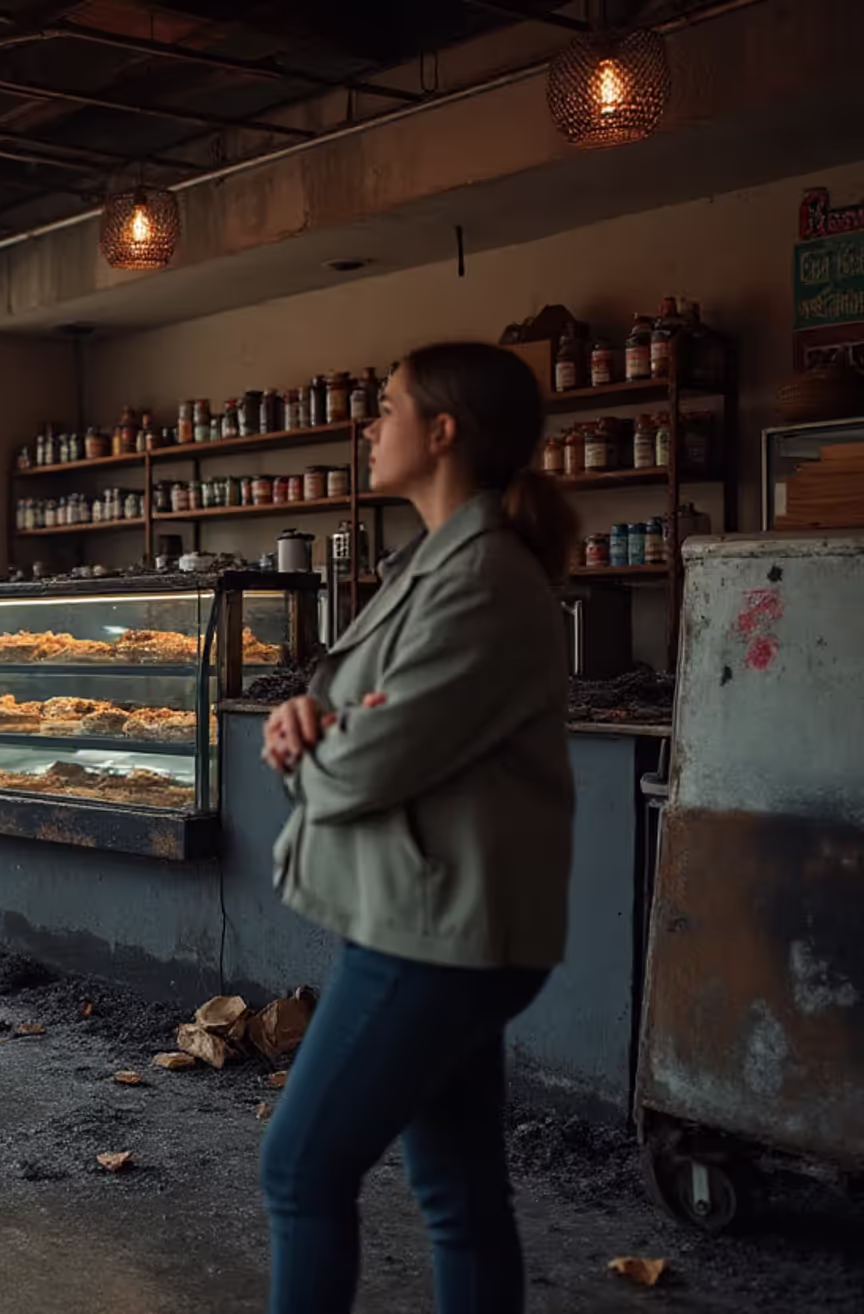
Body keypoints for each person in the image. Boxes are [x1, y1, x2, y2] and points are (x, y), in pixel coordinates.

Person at [257, 342, 579, 1314]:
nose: (369, 425)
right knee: (460, 1193)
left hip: (434, 931)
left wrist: (324, 739)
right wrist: (307, 721)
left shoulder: (483, 579)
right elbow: (339, 718)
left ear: (441, 433)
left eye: (386, 407)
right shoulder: (432, 567)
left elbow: (369, 760)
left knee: (301, 1171)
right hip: (441, 915)